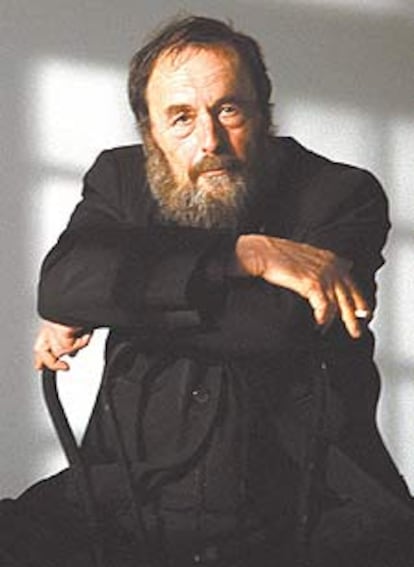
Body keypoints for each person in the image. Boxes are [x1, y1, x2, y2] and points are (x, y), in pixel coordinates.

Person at [1, 15, 413, 567]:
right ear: (150, 132)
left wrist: (118, 297)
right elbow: (62, 285)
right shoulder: (119, 180)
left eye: (229, 110)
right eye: (181, 118)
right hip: (127, 498)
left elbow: (278, 324)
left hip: (302, 508)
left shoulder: (341, 194)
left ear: (264, 112)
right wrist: (247, 255)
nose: (210, 140)